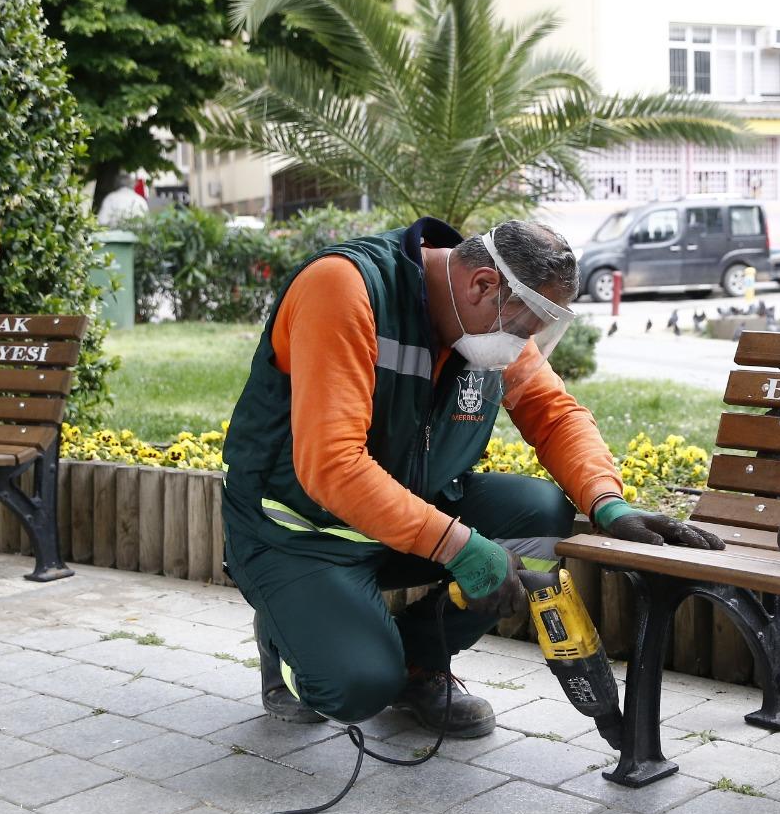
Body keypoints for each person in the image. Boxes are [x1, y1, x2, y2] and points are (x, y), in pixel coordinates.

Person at [220, 217, 723, 737]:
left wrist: (610, 506)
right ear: (483, 284)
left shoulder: (485, 316)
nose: (523, 344)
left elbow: (554, 414)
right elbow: (332, 465)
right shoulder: (345, 287)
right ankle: (289, 644)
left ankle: (418, 663)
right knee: (355, 689)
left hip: (401, 519)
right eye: (524, 328)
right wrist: (458, 546)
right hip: (298, 533)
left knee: (544, 516)